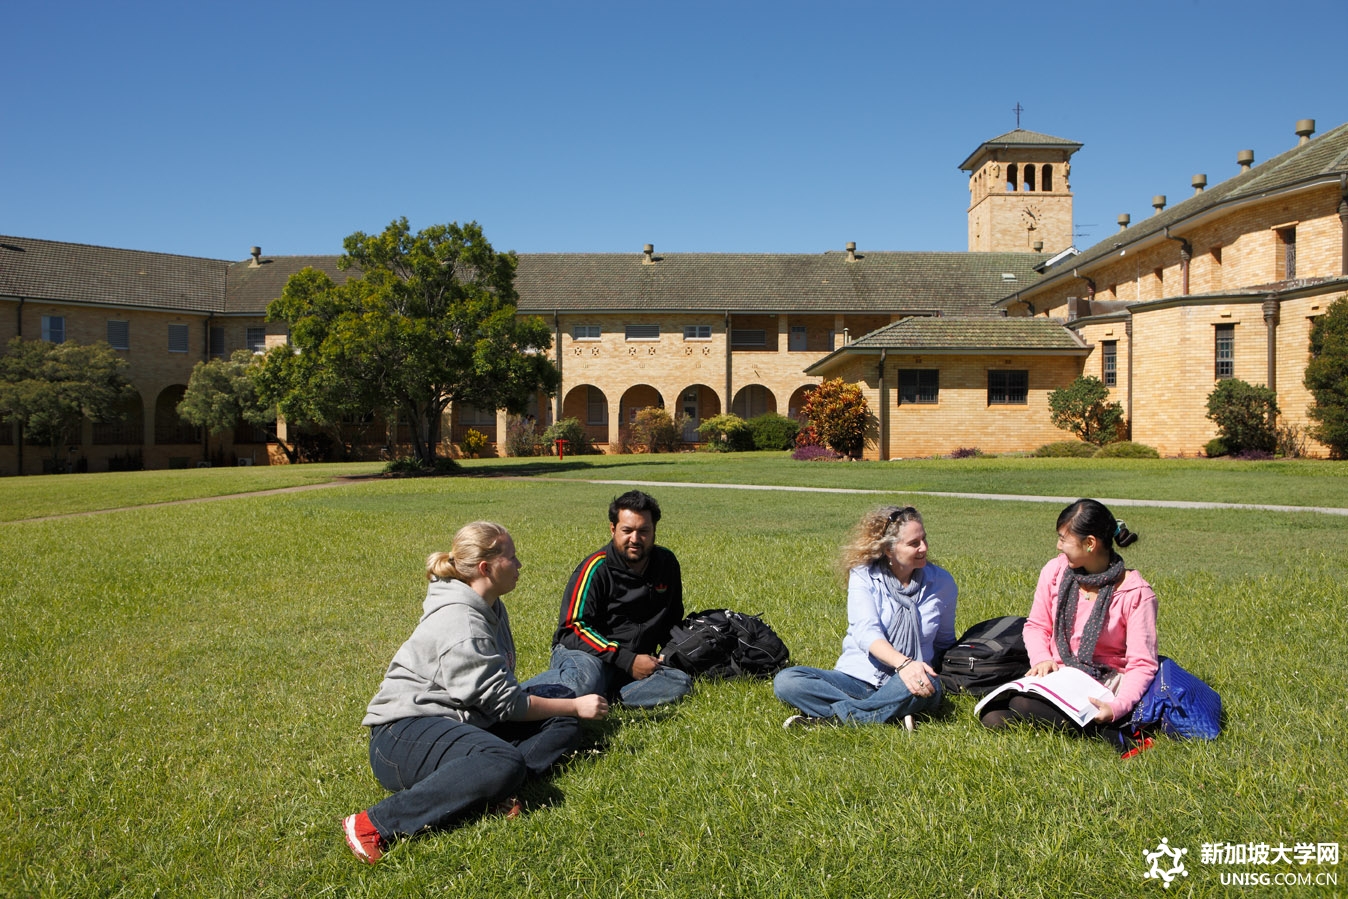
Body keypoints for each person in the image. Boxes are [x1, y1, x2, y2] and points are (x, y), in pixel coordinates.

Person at [342, 522, 609, 864]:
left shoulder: (490, 605)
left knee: (562, 726)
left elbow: (498, 697)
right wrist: (575, 705)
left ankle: (489, 787)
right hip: (402, 737)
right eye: (511, 557)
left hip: (462, 722)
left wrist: (568, 711)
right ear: (486, 567)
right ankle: (372, 823)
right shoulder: (462, 623)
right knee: (509, 756)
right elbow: (508, 703)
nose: (519, 565)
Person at [979, 499, 1158, 753]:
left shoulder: (1135, 593)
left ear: (1090, 544)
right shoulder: (1055, 571)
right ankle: (1087, 729)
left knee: (1021, 705)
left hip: (1103, 681)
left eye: (1064, 539)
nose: (1058, 546)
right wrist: (1041, 659)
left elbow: (1142, 663)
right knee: (992, 716)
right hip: (1058, 675)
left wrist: (1117, 707)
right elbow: (1037, 626)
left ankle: (1111, 728)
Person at [773, 505, 957, 727]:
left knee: (927, 684)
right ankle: (888, 714)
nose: (924, 547)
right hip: (858, 679)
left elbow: (945, 641)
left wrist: (928, 674)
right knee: (787, 681)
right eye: (913, 543)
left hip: (908, 682)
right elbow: (866, 632)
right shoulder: (864, 575)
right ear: (889, 550)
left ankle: (833, 721)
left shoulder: (942, 583)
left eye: (924, 539)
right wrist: (904, 664)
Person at [525, 490, 692, 708]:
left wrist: (670, 654)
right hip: (589, 654)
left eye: (643, 531)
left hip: (635, 660)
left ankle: (603, 698)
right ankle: (510, 701)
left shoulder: (666, 563)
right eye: (627, 530)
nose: (635, 539)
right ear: (613, 529)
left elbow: (672, 618)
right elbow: (571, 628)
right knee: (584, 681)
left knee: (679, 682)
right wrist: (626, 660)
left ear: (654, 531)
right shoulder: (596, 568)